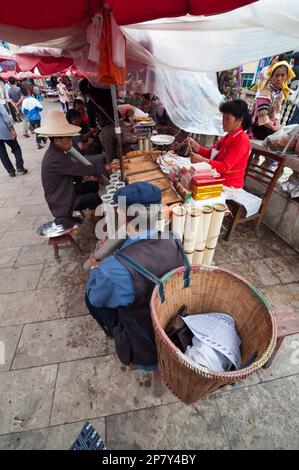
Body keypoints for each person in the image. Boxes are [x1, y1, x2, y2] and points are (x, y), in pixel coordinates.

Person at [85, 182, 187, 369]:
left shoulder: (113, 268)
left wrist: (94, 268)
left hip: (145, 347)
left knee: (91, 296)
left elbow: (95, 298)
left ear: (122, 214)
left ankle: (116, 336)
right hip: (173, 324)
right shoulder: (174, 239)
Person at [36, 110, 107, 227]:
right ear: (57, 140)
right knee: (94, 199)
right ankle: (100, 228)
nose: (70, 142)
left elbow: (71, 172)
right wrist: (104, 167)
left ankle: (93, 212)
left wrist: (85, 178)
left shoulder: (56, 151)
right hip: (61, 200)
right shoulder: (55, 157)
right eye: (67, 139)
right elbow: (79, 168)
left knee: (92, 185)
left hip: (65, 190)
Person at [188, 99, 251, 193]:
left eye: (227, 118)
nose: (223, 122)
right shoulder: (227, 136)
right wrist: (196, 146)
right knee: (187, 177)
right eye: (223, 118)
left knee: (191, 187)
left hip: (229, 185)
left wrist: (202, 160)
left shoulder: (242, 140)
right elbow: (211, 154)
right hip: (217, 177)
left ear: (239, 120)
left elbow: (225, 167)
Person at [251, 60, 295, 140]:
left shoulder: (279, 93)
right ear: (271, 77)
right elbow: (262, 117)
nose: (279, 78)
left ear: (286, 77)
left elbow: (277, 111)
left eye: (282, 75)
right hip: (258, 127)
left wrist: (277, 122)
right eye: (277, 75)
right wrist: (274, 127)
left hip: (268, 125)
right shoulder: (266, 93)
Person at [79, 78, 116, 162]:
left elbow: (93, 128)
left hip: (107, 131)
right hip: (117, 126)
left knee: (111, 157)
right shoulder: (107, 93)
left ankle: (114, 174)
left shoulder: (90, 104)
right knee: (122, 153)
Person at [0, 103, 28, 177]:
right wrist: (11, 128)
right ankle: (20, 167)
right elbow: (5, 115)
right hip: (4, 129)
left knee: (2, 153)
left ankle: (10, 171)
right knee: (16, 147)